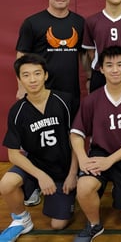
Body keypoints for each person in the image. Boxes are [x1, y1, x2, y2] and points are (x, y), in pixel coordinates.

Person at [70, 46, 121, 242]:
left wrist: (111, 161)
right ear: (101, 69)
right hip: (100, 153)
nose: (114, 69)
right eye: (109, 65)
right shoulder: (92, 100)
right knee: (83, 187)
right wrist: (82, 159)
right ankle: (94, 225)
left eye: (119, 65)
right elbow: (76, 133)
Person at [15, 0, 85, 207]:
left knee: (68, 138)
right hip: (39, 93)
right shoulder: (32, 23)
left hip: (69, 92)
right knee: (37, 140)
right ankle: (33, 183)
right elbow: (21, 57)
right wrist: (20, 88)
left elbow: (84, 56)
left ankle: (70, 181)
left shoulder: (79, 22)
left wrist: (88, 80)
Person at [0, 54, 78, 241]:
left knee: (57, 224)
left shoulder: (64, 101)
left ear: (45, 75)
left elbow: (77, 139)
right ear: (19, 79)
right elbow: (13, 154)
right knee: (7, 184)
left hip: (62, 169)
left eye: (37, 73)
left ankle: (58, 195)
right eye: (26, 75)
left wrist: (73, 174)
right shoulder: (17, 111)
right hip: (35, 166)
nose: (32, 79)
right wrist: (40, 175)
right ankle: (22, 220)